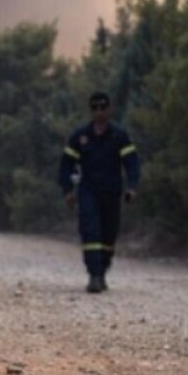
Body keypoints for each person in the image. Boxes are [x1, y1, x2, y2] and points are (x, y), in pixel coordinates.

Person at [58, 91, 141, 293]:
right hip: (88, 191)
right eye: (95, 108)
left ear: (109, 109)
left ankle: (103, 270)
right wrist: (67, 190)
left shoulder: (119, 136)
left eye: (102, 107)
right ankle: (94, 275)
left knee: (108, 235)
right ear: (90, 110)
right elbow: (66, 164)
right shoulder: (80, 136)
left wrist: (132, 186)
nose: (99, 112)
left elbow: (131, 163)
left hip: (112, 191)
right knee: (90, 231)